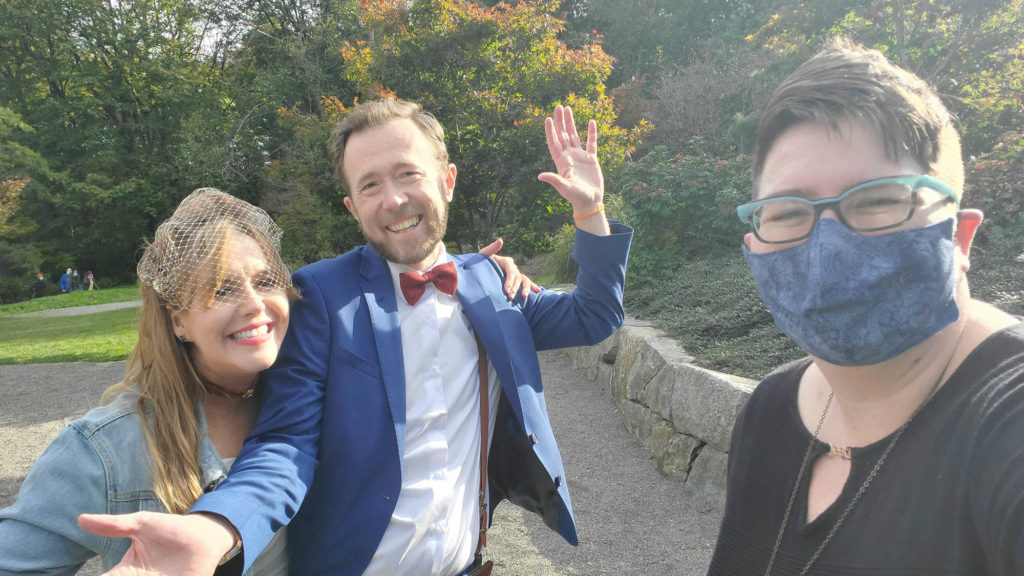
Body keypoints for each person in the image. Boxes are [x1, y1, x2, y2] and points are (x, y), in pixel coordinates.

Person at [79, 100, 632, 575]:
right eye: (370, 185)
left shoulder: (491, 283)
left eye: (408, 174)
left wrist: (590, 211)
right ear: (352, 206)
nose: (392, 199)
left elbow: (594, 316)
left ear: (447, 180)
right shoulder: (320, 296)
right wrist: (217, 526)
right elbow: (286, 444)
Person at [0, 189, 529, 575]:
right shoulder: (107, 447)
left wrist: (469, 274)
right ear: (177, 319)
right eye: (221, 290)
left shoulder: (319, 393)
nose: (255, 307)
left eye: (266, 280)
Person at [708, 38, 1023, 574]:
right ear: (754, 246)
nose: (827, 250)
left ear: (960, 239)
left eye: (878, 200)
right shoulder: (769, 409)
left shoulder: (1007, 429)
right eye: (787, 212)